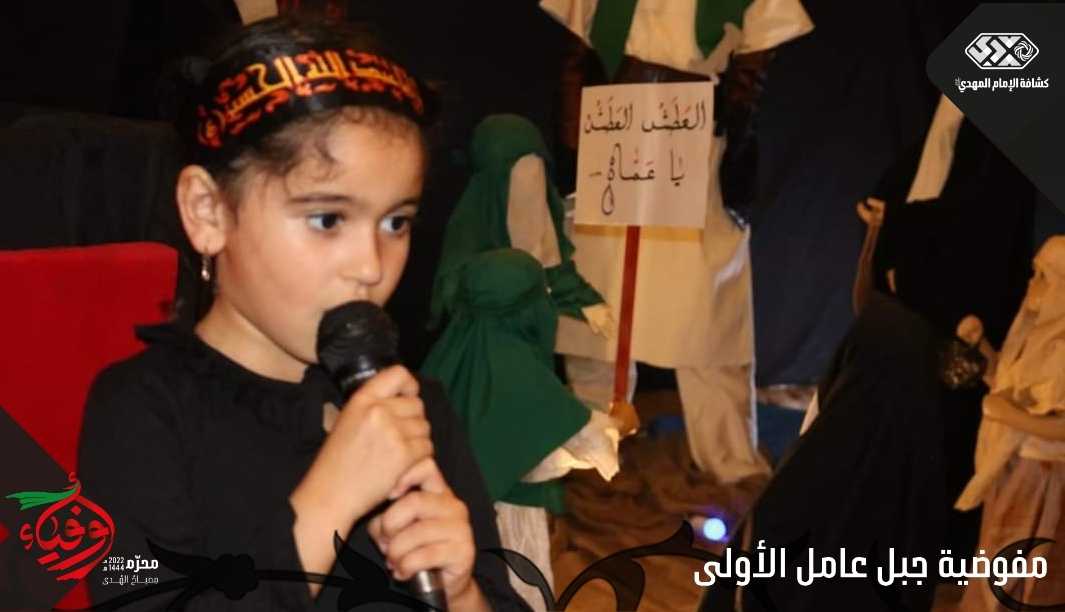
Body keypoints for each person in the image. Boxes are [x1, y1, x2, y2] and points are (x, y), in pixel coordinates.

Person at [77, 17, 528, 611]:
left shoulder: (414, 408)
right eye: (327, 219)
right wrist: (330, 501)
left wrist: (463, 590)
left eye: (396, 222)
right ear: (208, 211)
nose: (370, 266)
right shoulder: (140, 412)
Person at [955, 236, 1065, 610]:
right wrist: (982, 348)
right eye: (1034, 273)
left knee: (1022, 575)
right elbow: (1006, 391)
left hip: (1042, 479)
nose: (1032, 283)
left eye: (1044, 277)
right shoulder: (1036, 335)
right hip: (1012, 469)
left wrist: (1009, 415)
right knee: (995, 564)